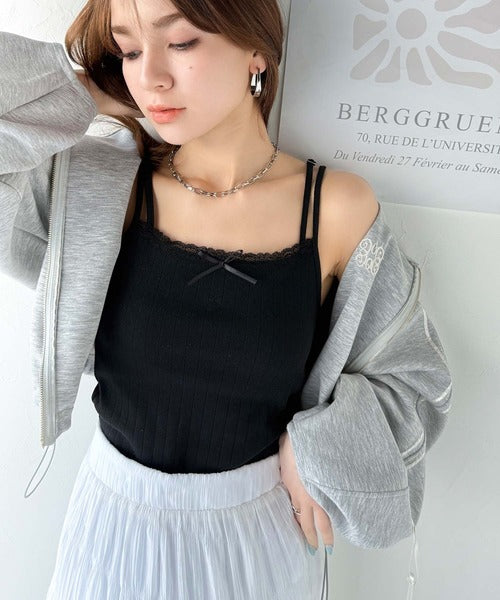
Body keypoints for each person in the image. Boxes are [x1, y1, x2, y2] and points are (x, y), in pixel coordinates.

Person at [0, 0, 452, 599]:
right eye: (129, 50)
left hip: (255, 541)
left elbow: (417, 381)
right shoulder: (105, 187)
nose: (150, 76)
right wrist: (92, 90)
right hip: (111, 530)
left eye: (181, 43)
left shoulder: (335, 208)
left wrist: (318, 440)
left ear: (256, 49)